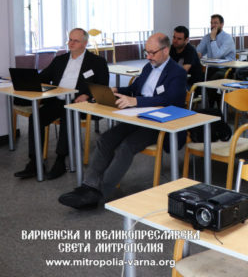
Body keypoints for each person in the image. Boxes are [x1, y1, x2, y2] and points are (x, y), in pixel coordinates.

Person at [58, 33, 187, 209]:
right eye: (146, 52)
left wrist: (136, 101)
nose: (148, 57)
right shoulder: (148, 67)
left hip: (159, 123)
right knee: (105, 139)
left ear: (166, 50)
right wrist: (117, 89)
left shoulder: (177, 72)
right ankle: (89, 186)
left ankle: (101, 192)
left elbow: (169, 100)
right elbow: (135, 88)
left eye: (152, 53)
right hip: (136, 116)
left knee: (126, 147)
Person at [14, 28, 109, 180]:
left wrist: (87, 95)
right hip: (57, 100)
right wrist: (27, 80)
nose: (71, 43)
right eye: (70, 40)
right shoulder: (60, 59)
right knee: (35, 118)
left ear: (85, 43)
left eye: (75, 41)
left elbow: (103, 86)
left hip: (79, 103)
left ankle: (60, 160)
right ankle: (35, 162)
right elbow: (43, 77)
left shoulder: (97, 62)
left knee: (67, 115)